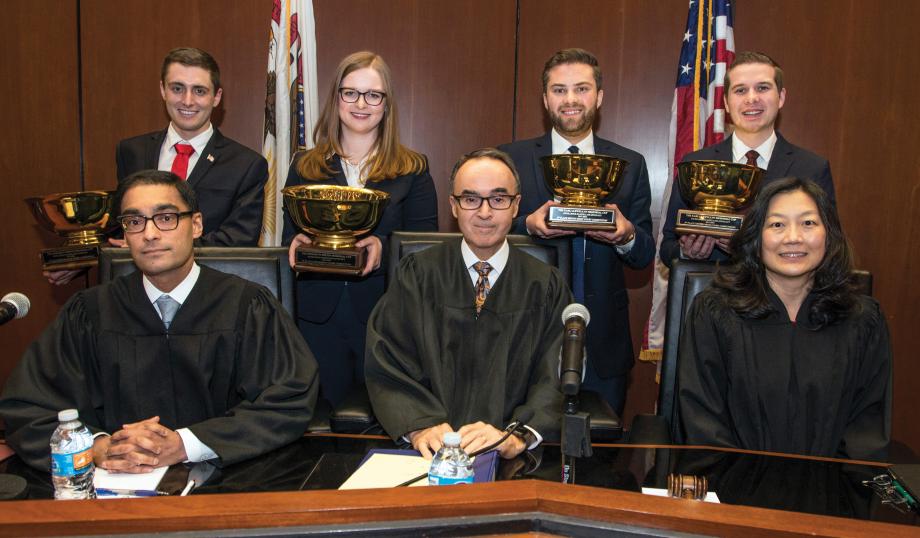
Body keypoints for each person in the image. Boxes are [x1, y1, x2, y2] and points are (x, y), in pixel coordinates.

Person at [1, 170, 318, 472]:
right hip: (113, 488)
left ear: (195, 225)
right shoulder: (90, 312)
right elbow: (27, 407)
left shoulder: (247, 305)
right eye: (134, 221)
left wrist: (186, 444)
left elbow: (289, 398)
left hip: (229, 482)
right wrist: (97, 447)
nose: (149, 234)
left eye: (166, 218)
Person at [365, 149, 570, 460]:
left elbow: (554, 375)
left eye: (498, 199)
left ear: (515, 205)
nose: (484, 212)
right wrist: (419, 425)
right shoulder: (418, 275)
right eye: (471, 199)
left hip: (509, 454)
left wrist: (518, 436)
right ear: (453, 205)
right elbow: (388, 358)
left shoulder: (546, 285)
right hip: (427, 453)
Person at [675, 177, 890, 461]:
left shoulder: (862, 320)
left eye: (808, 223)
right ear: (756, 236)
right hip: (733, 493)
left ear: (829, 234)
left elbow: (866, 431)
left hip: (828, 495)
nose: (793, 237)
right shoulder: (714, 313)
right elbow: (701, 425)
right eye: (777, 224)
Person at [498, 48, 655, 415]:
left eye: (581, 89)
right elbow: (484, 229)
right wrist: (526, 227)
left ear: (598, 97)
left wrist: (625, 235)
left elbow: (645, 253)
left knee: (597, 462)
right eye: (559, 90)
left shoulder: (629, 164)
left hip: (603, 343)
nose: (570, 99)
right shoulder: (511, 159)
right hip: (526, 336)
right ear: (545, 99)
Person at [283, 51, 437, 408]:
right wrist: (298, 242)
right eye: (350, 92)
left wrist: (383, 246)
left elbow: (423, 250)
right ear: (336, 97)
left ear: (387, 103)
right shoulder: (304, 166)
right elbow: (287, 240)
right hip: (316, 317)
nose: (361, 104)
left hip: (385, 318)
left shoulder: (413, 169)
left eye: (373, 94)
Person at [46, 47, 269, 286]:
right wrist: (79, 260)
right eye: (177, 88)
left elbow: (237, 240)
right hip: (137, 293)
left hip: (212, 291)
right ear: (163, 89)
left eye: (200, 91)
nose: (187, 101)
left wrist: (161, 249)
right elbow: (119, 226)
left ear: (216, 97)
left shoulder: (246, 164)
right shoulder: (131, 152)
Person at [660, 51, 836, 267]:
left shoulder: (812, 168)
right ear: (725, 102)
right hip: (710, 294)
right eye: (740, 90)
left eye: (762, 88)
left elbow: (829, 246)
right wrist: (687, 252)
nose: (752, 98)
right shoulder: (696, 164)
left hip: (780, 296)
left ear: (781, 97)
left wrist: (753, 247)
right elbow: (668, 246)